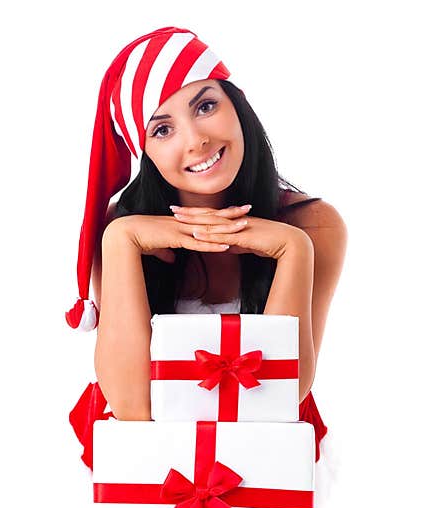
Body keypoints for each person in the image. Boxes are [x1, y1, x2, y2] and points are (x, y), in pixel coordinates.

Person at [66, 27, 345, 477]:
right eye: (162, 129)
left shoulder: (313, 226)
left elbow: (281, 395)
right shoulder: (120, 227)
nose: (195, 140)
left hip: (263, 468)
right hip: (150, 470)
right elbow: (132, 407)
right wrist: (121, 242)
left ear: (237, 105)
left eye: (206, 105)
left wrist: (293, 248)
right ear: (146, 151)